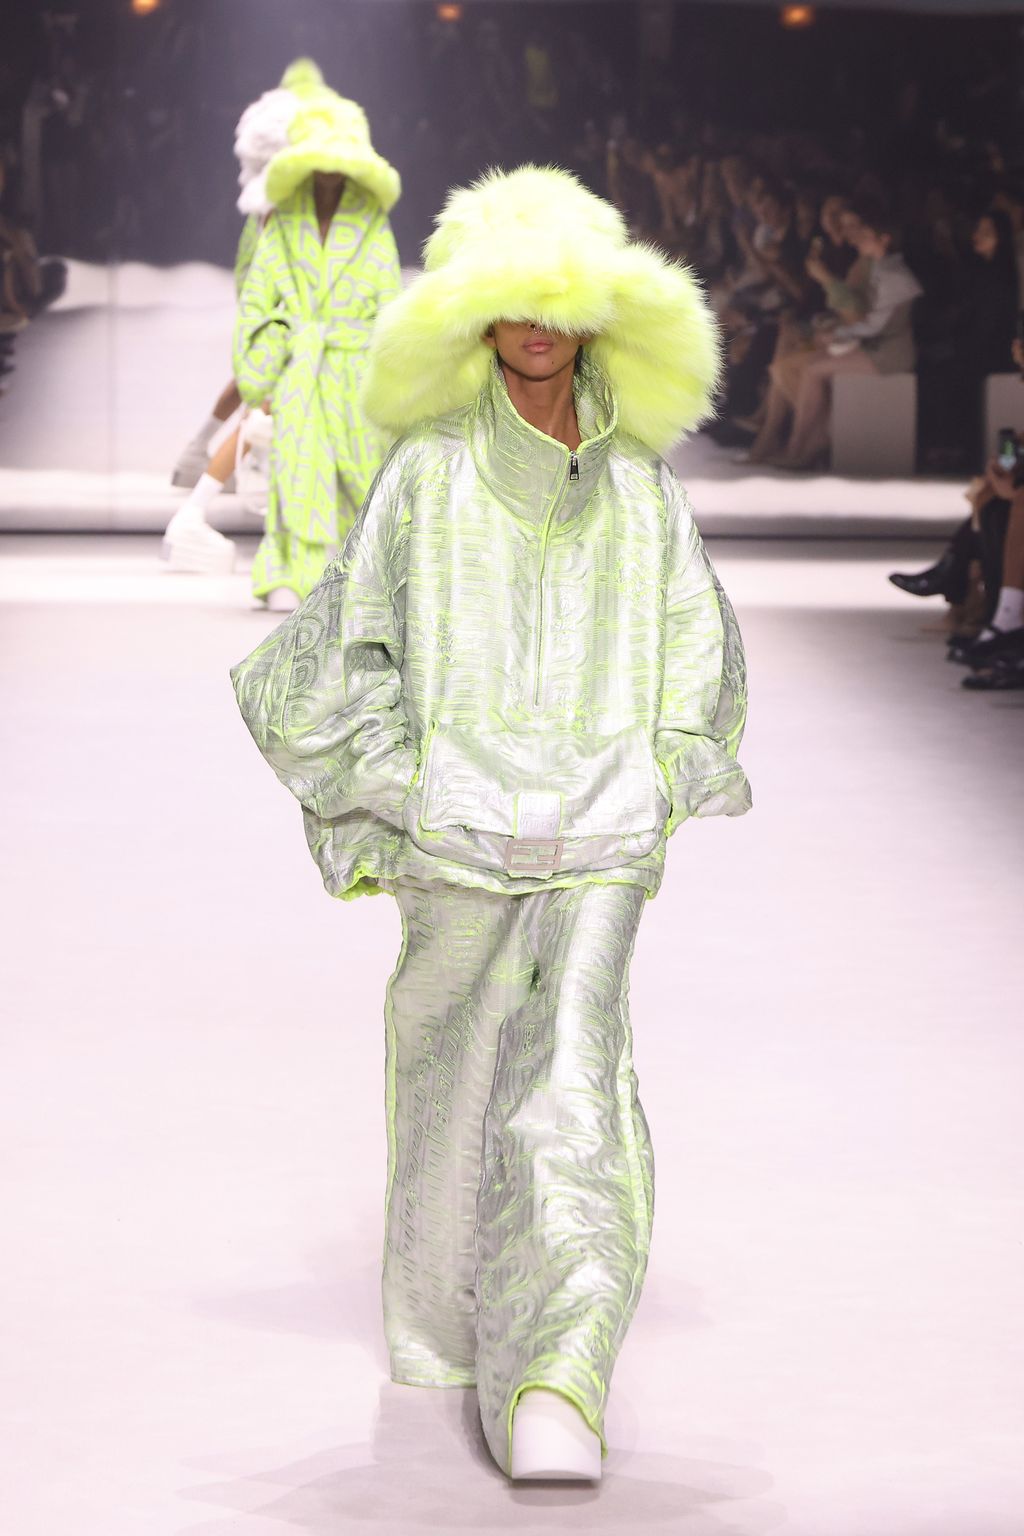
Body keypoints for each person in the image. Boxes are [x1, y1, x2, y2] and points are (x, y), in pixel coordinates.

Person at [230, 165, 750, 1482]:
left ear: (599, 319)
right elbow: (334, 659)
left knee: (574, 1085)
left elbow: (703, 660)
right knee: (452, 1080)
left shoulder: (642, 491)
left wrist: (663, 773)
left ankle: (560, 1376)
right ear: (471, 316)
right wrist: (408, 792)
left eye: (557, 302)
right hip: (454, 840)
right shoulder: (424, 479)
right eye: (509, 302)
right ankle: (459, 1328)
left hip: (603, 841)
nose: (534, 326)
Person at [231, 76, 401, 610]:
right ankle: (287, 568)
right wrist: (264, 367)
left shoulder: (371, 220)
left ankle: (363, 574)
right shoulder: (282, 221)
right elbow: (260, 296)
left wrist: (392, 368)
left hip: (354, 362)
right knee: (295, 465)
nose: (328, 169)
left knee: (360, 468)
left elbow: (387, 297)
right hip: (301, 364)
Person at [162, 60, 319, 573]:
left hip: (271, 302)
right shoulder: (282, 200)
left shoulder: (272, 196)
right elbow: (279, 261)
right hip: (277, 306)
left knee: (263, 398)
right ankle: (195, 508)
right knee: (265, 401)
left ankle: (200, 475)